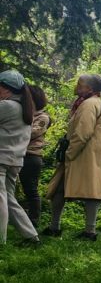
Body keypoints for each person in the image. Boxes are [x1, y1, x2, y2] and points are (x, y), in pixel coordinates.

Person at [45, 74, 101, 240]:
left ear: (89, 88)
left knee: (91, 192)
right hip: (87, 155)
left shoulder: (89, 104)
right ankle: (55, 227)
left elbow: (83, 133)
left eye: (80, 84)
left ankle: (89, 232)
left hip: (84, 155)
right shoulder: (93, 103)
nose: (76, 87)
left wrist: (69, 153)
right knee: (60, 188)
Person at [0, 69, 41, 245]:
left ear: (6, 88)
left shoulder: (6, 106)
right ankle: (31, 236)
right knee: (9, 198)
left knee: (1, 198)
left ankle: (1, 240)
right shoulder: (25, 108)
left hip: (1, 157)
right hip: (15, 160)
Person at [19, 85, 50, 227]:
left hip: (31, 156)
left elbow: (32, 133)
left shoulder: (42, 117)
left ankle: (34, 219)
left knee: (30, 189)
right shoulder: (24, 113)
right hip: (20, 154)